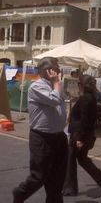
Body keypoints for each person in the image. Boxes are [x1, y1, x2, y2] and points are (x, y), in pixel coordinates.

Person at [13, 57, 68, 203]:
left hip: (59, 136)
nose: (58, 71)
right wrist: (57, 83)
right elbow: (54, 100)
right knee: (39, 176)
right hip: (42, 137)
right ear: (46, 71)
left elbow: (62, 103)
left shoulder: (55, 86)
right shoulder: (37, 86)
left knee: (57, 180)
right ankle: (20, 193)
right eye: (55, 68)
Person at [63, 75, 101, 196]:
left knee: (71, 160)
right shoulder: (91, 98)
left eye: (79, 84)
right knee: (82, 159)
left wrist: (79, 138)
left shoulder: (85, 99)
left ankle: (70, 188)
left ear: (82, 85)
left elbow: (84, 120)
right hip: (86, 134)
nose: (78, 86)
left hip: (79, 134)